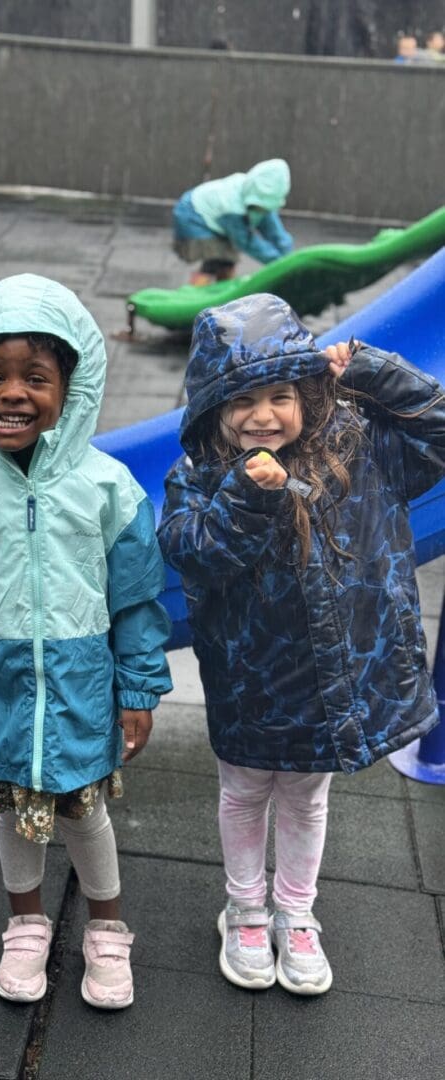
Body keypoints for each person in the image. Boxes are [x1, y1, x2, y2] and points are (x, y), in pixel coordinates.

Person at [157, 293, 444, 996]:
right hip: (251, 683)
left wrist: (375, 372)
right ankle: (245, 906)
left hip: (330, 683)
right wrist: (247, 499)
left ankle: (296, 910)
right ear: (212, 410)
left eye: (281, 395)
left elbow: (438, 431)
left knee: (308, 798)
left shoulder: (361, 451)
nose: (263, 415)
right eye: (242, 399)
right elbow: (189, 551)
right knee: (245, 793)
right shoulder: (198, 476)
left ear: (308, 395)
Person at [0, 274, 172, 1010]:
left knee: (84, 809)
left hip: (80, 680)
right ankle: (25, 922)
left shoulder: (107, 487)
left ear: (72, 387)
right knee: (8, 809)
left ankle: (108, 928)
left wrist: (139, 686)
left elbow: (136, 598)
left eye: (35, 377)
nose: (13, 393)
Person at [171, 159, 294, 286]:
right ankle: (194, 293)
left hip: (211, 215)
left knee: (226, 262)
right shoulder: (232, 208)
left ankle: (222, 288)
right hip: (193, 217)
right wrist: (278, 263)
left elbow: (274, 230)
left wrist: (288, 256)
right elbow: (247, 242)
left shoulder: (258, 195)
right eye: (257, 208)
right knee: (216, 260)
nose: (260, 211)